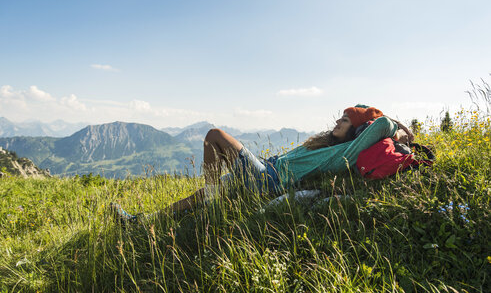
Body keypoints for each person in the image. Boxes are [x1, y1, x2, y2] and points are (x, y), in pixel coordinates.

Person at [110, 105, 413, 223]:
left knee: (215, 135)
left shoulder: (343, 153)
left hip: (268, 180)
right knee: (196, 198)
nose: (337, 120)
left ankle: (214, 201)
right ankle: (142, 220)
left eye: (345, 119)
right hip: (265, 169)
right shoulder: (324, 145)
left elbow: (383, 123)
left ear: (359, 129)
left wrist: (402, 130)